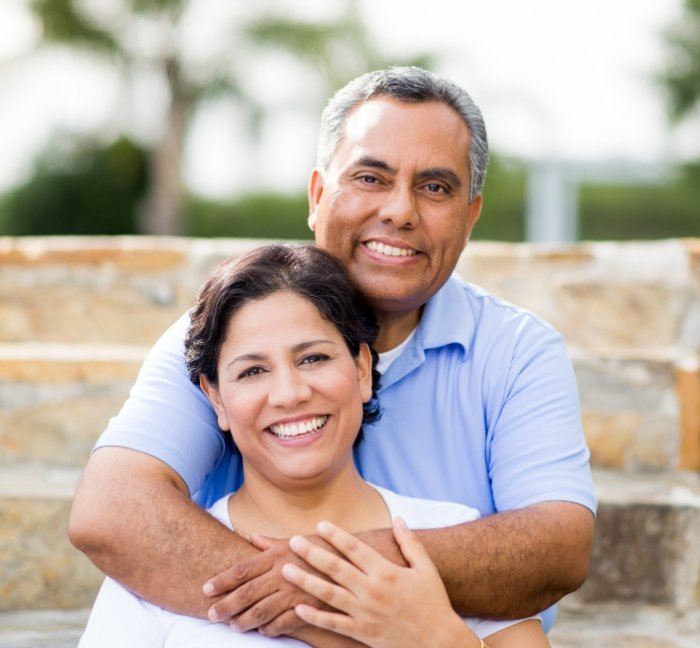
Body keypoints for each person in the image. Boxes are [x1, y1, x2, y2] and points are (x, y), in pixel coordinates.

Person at [69, 67, 596, 636]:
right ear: (318, 195)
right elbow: (112, 509)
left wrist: (321, 576)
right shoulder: (226, 332)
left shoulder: (518, 352)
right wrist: (334, 619)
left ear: (470, 217)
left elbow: (557, 547)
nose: (400, 211)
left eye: (436, 187)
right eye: (370, 177)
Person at [79, 243, 548, 647]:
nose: (289, 393)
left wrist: (439, 639)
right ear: (215, 399)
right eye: (253, 371)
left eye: (314, 358)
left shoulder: (450, 534)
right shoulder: (154, 567)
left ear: (362, 369)